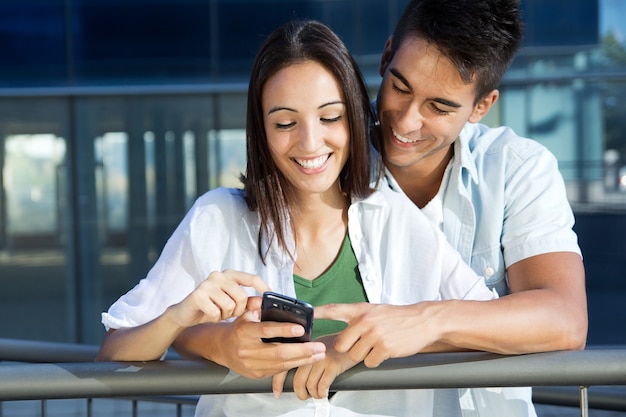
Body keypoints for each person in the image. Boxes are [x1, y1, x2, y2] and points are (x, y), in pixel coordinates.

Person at [97, 19, 501, 417]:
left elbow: (487, 326)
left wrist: (374, 340)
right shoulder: (218, 217)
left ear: (355, 119)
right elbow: (114, 353)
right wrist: (187, 324)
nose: (310, 143)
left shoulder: (394, 220)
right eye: (285, 123)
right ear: (262, 130)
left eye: (329, 117)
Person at [314, 0, 587, 414]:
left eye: (438, 107)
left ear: (482, 106)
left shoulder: (517, 168)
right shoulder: (325, 162)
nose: (406, 122)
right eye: (400, 87)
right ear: (387, 56)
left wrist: (427, 321)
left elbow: (565, 318)